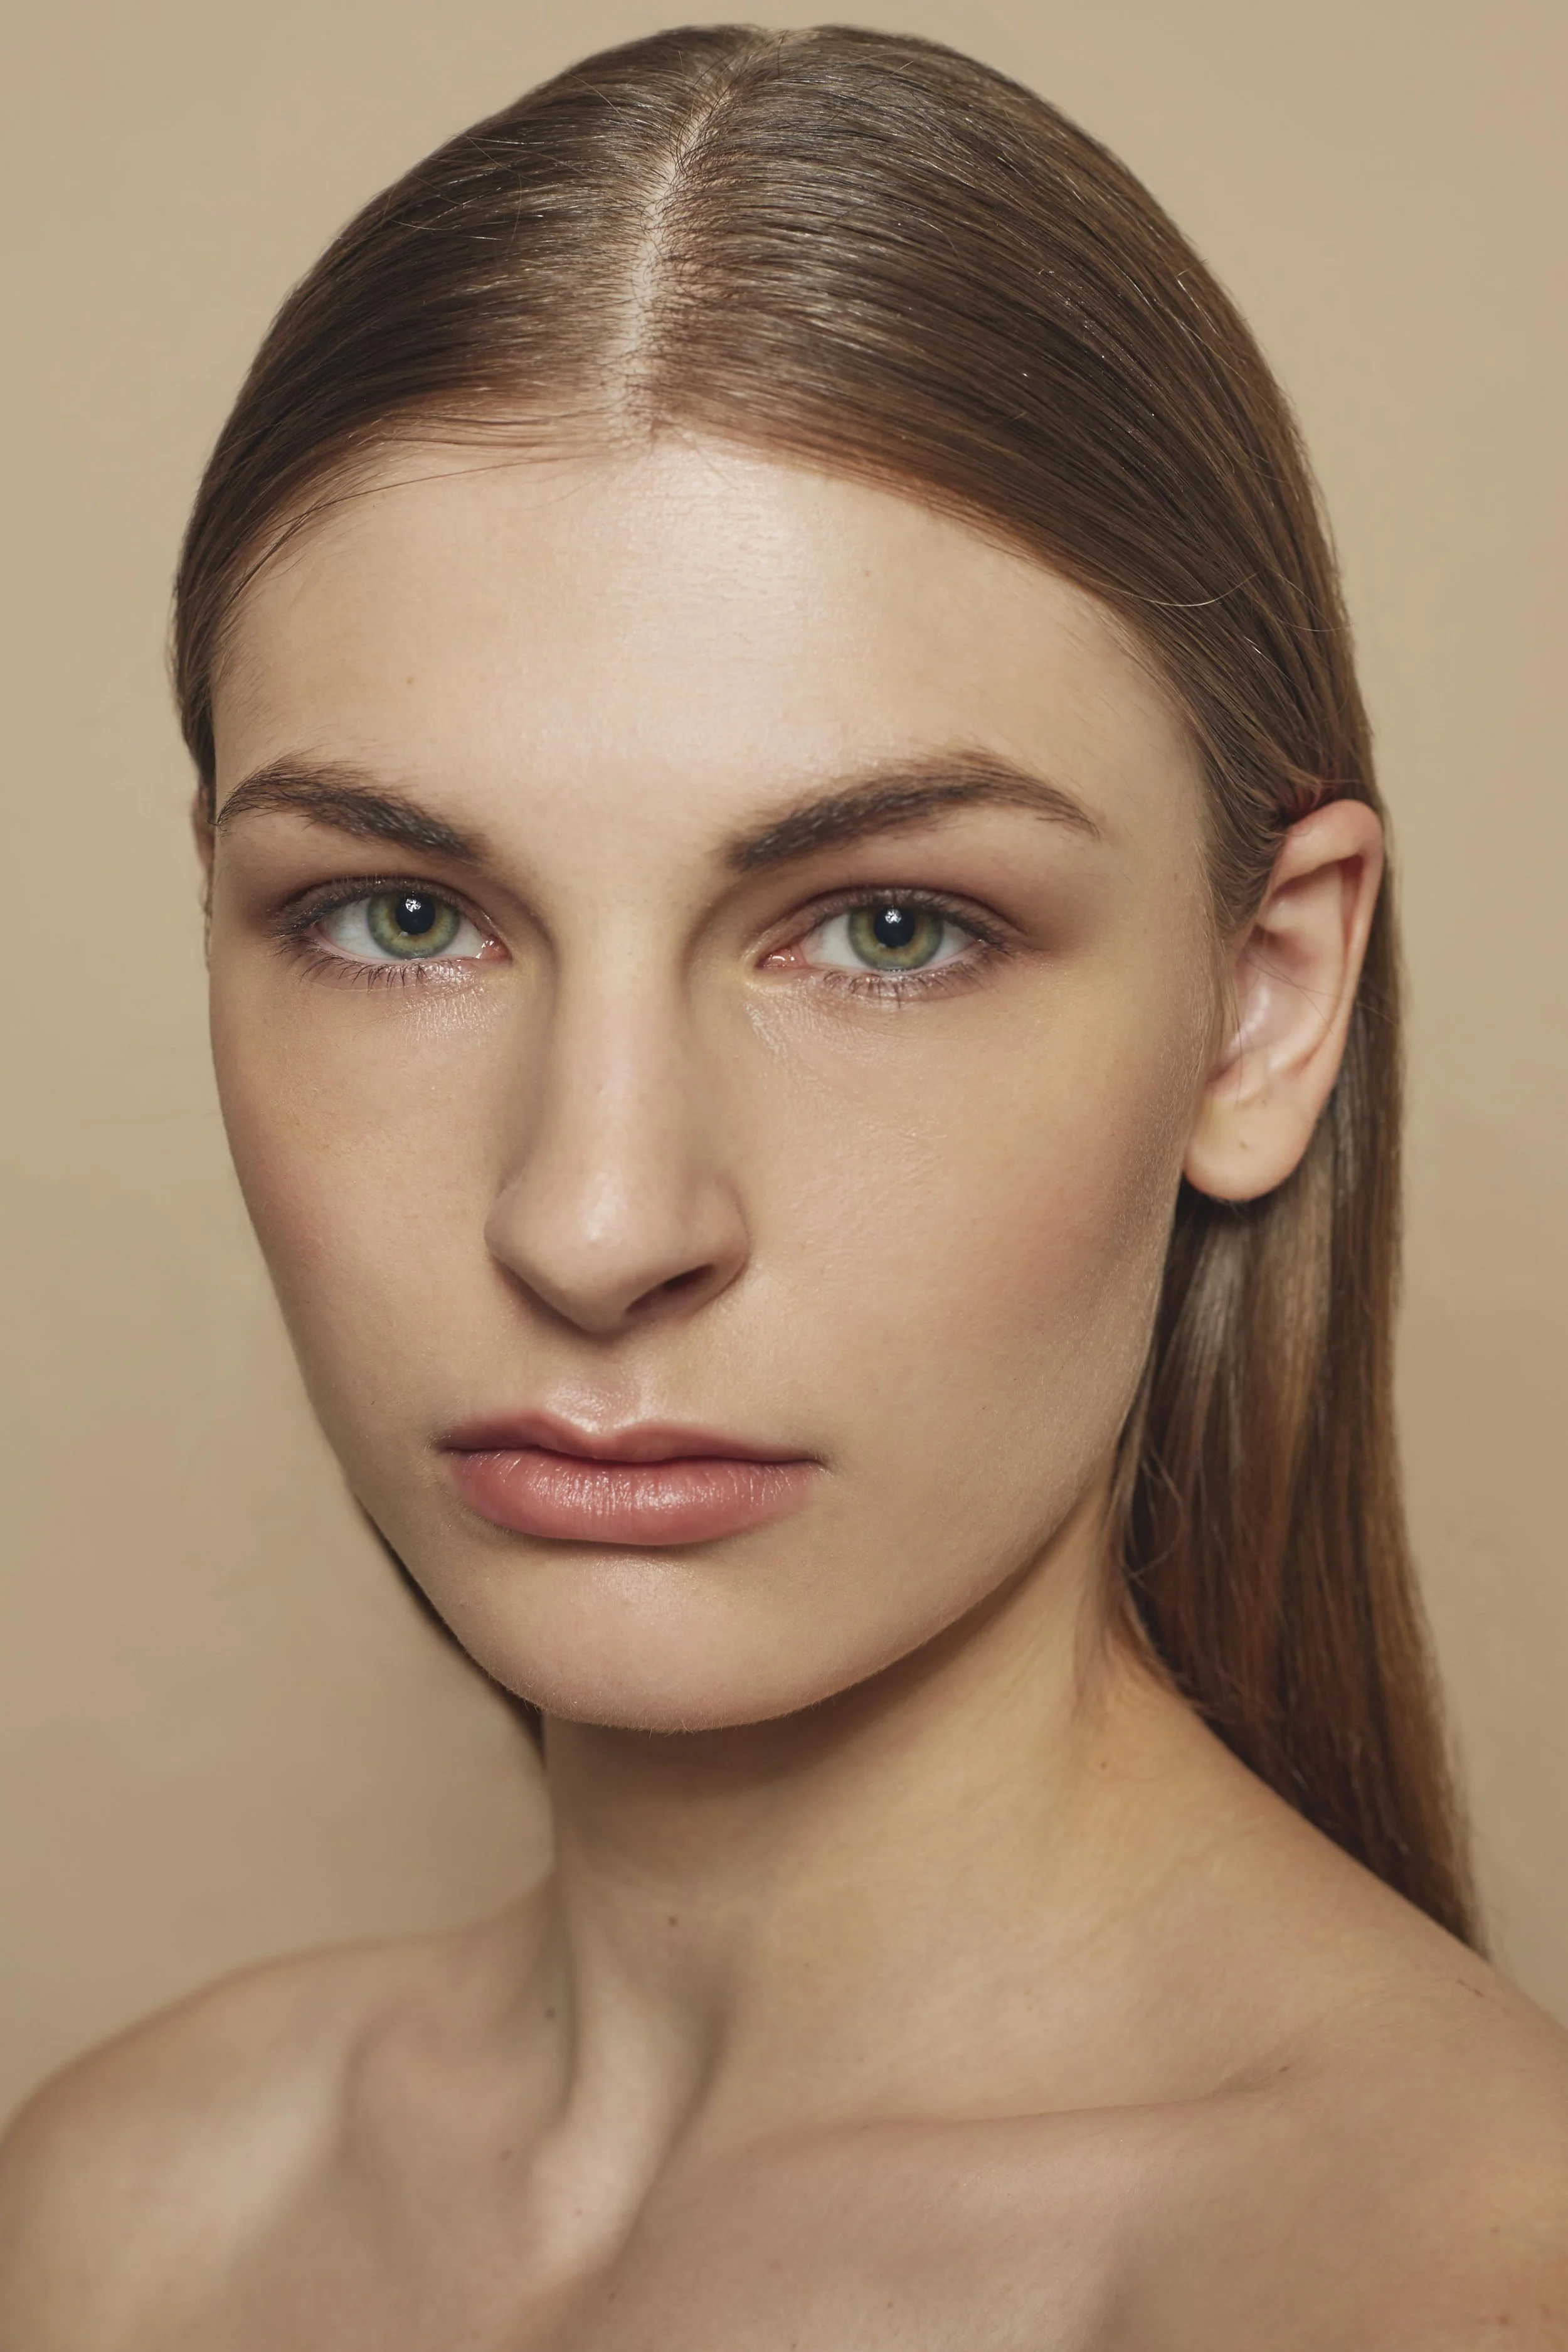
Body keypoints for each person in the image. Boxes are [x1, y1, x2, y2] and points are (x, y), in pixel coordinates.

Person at [2, 23, 1565, 2345]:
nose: (597, 1216)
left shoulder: (1442, 2277)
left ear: (1261, 1002)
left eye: (889, 928)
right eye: (401, 918)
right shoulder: (111, 2213)